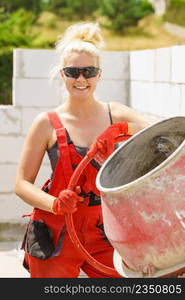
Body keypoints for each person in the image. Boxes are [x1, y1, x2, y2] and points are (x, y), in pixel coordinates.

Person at [15, 22, 154, 278]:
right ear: (62, 74)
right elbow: (22, 184)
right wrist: (55, 204)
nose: (81, 79)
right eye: (73, 71)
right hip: (55, 231)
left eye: (89, 71)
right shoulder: (45, 123)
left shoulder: (116, 114)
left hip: (103, 229)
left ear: (99, 74)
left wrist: (121, 129)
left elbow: (161, 135)